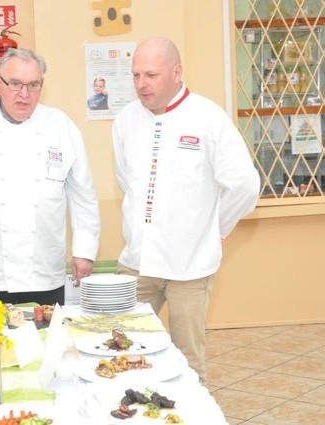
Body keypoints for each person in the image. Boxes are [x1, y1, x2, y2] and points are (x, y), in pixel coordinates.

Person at [112, 36, 259, 385]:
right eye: (135, 75)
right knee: (118, 347)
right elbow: (126, 182)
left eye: (151, 74)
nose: (141, 84)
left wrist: (214, 229)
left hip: (189, 268)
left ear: (177, 72)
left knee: (187, 362)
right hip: (136, 263)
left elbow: (244, 185)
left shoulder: (208, 117)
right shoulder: (125, 120)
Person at [0, 48, 100, 306]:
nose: (24, 94)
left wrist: (85, 251)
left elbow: (83, 196)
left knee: (47, 341)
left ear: (42, 85)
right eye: (15, 84)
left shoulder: (62, 126)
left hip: (45, 271)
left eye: (33, 85)